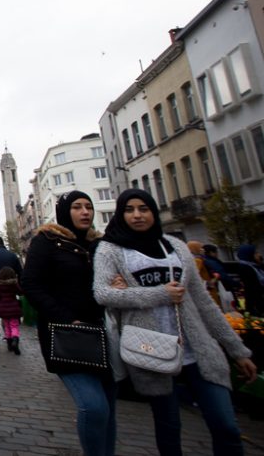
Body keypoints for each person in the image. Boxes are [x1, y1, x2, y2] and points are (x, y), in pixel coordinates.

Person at [94, 189, 256, 456]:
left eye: (143, 209)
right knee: (168, 427)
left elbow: (204, 303)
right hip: (151, 350)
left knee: (226, 426)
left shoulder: (175, 247)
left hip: (198, 349)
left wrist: (238, 351)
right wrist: (159, 293)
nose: (137, 215)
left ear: (153, 212)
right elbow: (103, 293)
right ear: (121, 214)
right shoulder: (111, 249)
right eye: (129, 209)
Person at [21, 190, 115, 456]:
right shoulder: (47, 241)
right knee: (94, 406)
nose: (85, 212)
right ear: (65, 211)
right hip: (67, 336)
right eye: (77, 207)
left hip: (104, 334)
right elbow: (31, 285)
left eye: (89, 206)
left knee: (108, 408)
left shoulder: (101, 245)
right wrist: (66, 319)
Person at [0, 266, 23, 354]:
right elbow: (20, 292)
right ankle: (15, 341)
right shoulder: (14, 283)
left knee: (7, 325)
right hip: (14, 307)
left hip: (3, 308)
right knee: (14, 326)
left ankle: (9, 344)